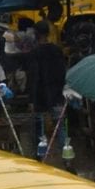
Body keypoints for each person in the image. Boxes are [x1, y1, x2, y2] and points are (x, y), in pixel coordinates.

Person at [29, 23, 68, 157]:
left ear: (36, 34)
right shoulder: (57, 50)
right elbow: (63, 72)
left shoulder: (35, 53)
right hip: (57, 94)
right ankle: (66, 155)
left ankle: (41, 156)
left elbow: (35, 76)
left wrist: (32, 98)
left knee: (40, 128)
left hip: (41, 96)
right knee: (60, 126)